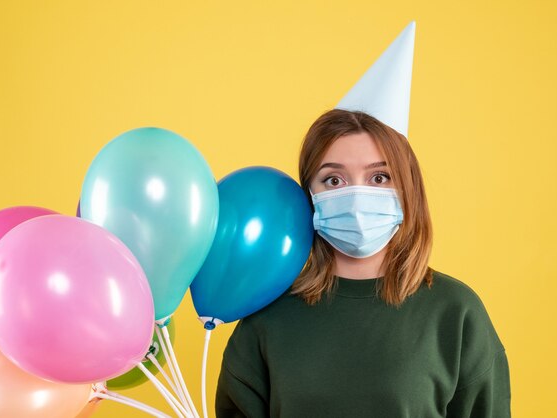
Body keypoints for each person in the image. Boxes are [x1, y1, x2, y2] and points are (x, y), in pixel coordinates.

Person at [214, 109, 511, 417]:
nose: (356, 197)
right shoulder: (266, 319)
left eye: (379, 177)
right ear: (309, 196)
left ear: (407, 190)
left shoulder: (455, 312)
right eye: (334, 179)